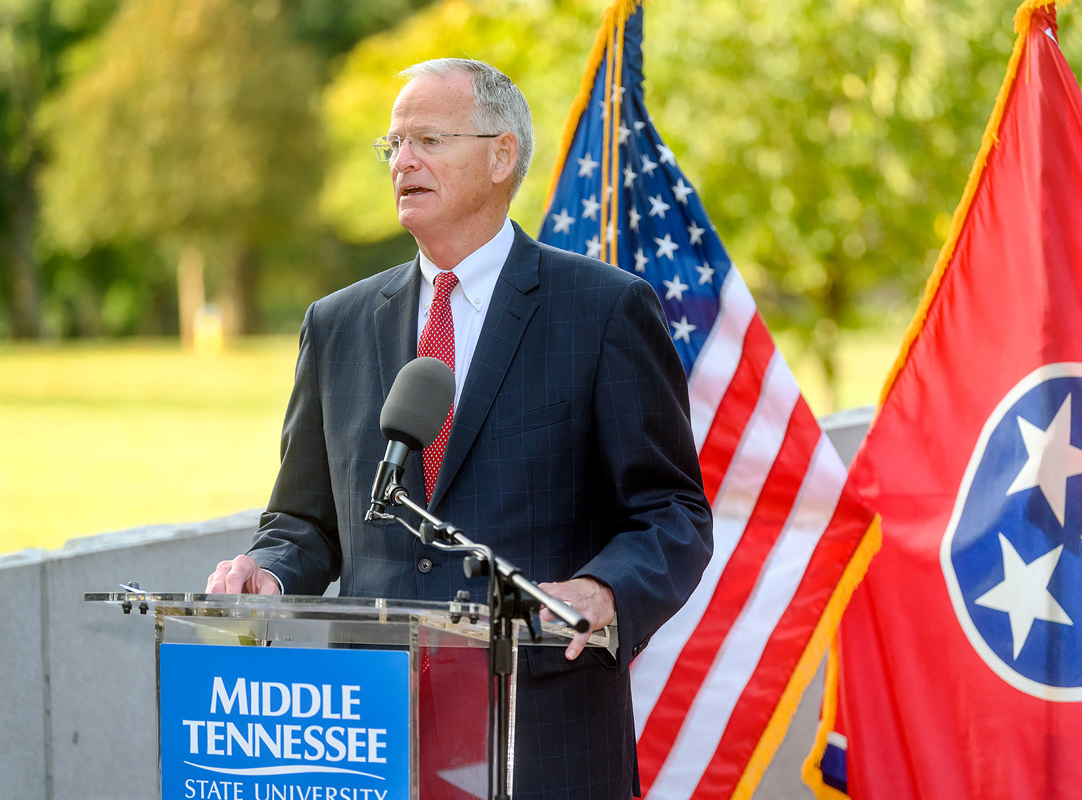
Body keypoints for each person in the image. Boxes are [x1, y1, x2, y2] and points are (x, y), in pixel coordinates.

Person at [206, 58, 712, 799]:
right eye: (394, 146)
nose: (403, 161)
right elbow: (306, 518)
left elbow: (672, 513)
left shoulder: (603, 312)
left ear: (501, 154)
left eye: (429, 141)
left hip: (544, 732)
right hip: (372, 734)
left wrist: (605, 589)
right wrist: (270, 568)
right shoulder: (337, 324)